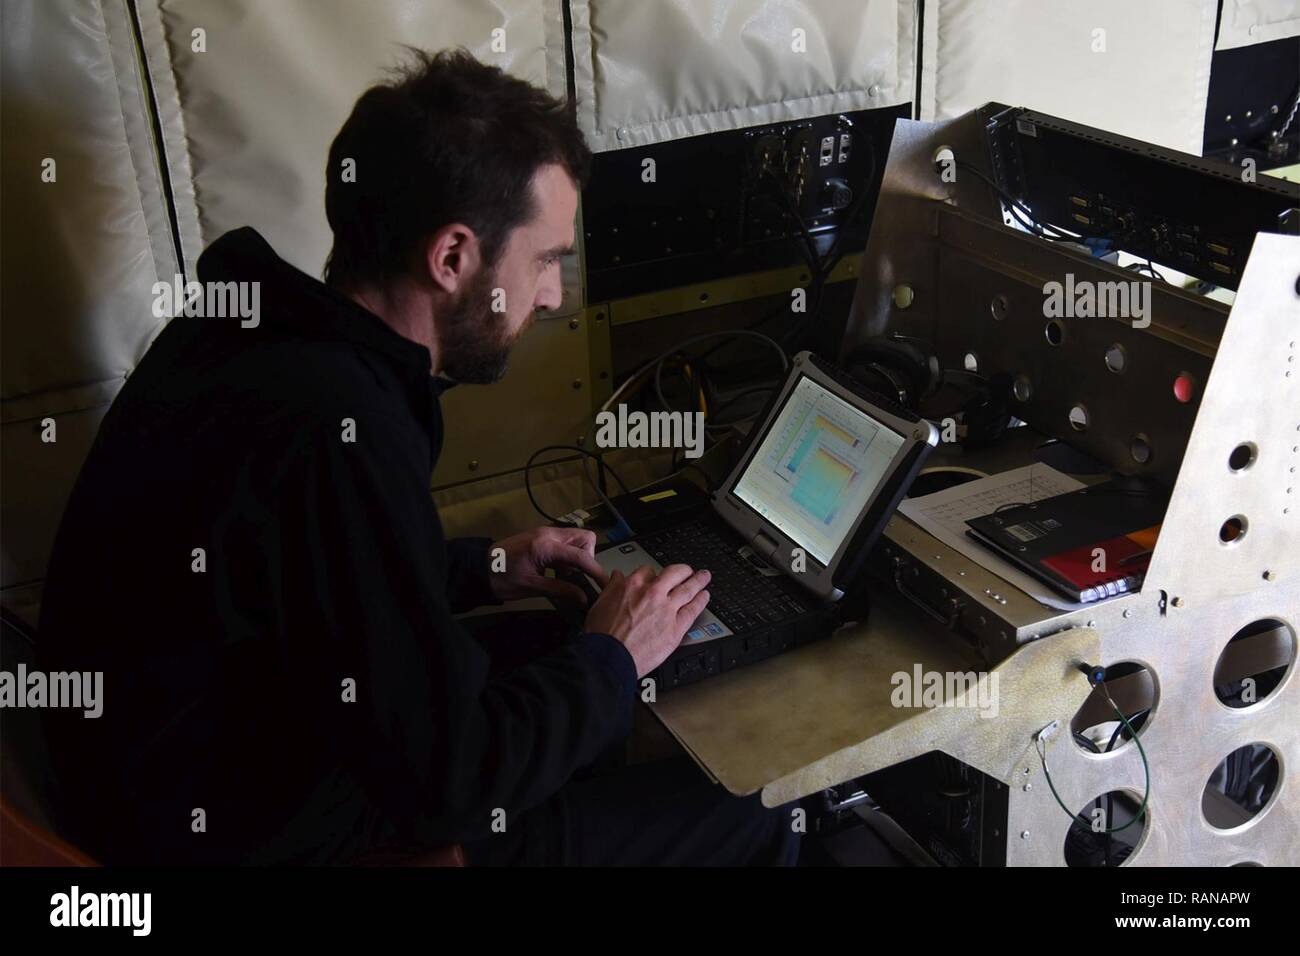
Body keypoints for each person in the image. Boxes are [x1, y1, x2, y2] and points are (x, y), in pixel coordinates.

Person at [38, 48, 799, 867]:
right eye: (544, 260)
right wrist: (615, 657)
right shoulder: (333, 424)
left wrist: (486, 567)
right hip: (245, 830)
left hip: (194, 761)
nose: (551, 297)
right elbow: (448, 787)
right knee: (754, 809)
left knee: (555, 644)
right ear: (451, 258)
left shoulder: (255, 335)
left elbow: (315, 584)